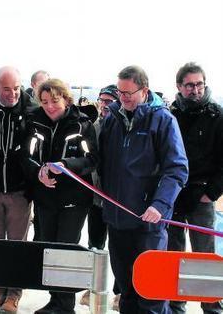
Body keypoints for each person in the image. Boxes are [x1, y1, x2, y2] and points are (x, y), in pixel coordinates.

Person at [99, 65, 188, 314]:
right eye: (120, 92)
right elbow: (100, 160)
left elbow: (177, 169)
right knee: (126, 291)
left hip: (148, 222)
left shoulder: (162, 120)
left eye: (129, 93)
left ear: (144, 90)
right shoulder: (112, 120)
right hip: (117, 220)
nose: (123, 98)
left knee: (151, 292)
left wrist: (160, 204)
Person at [23, 79, 98, 314]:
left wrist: (66, 165)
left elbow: (91, 160)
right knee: (49, 247)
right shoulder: (34, 122)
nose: (50, 107)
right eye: (44, 102)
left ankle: (66, 304)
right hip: (45, 197)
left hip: (74, 199)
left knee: (66, 250)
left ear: (66, 99)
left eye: (54, 101)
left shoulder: (81, 125)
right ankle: (55, 299)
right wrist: (39, 172)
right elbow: (25, 155)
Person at [0, 66, 38, 313]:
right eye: (6, 89)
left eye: (16, 88)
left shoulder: (32, 111)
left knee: (17, 245)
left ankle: (14, 293)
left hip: (19, 191)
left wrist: (31, 185)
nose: (13, 93)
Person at [168, 62, 223, 314]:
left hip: (202, 195)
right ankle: (175, 304)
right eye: (189, 85)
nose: (195, 89)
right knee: (173, 253)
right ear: (179, 86)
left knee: (205, 256)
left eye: (199, 84)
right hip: (174, 194)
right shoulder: (170, 115)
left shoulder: (217, 115)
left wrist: (210, 193)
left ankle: (211, 306)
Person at [80, 84, 121, 309]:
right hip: (96, 196)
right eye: (102, 100)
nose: (105, 105)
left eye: (109, 100)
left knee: (118, 247)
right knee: (94, 244)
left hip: (117, 199)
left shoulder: (121, 126)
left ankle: (119, 291)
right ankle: (91, 287)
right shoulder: (93, 126)